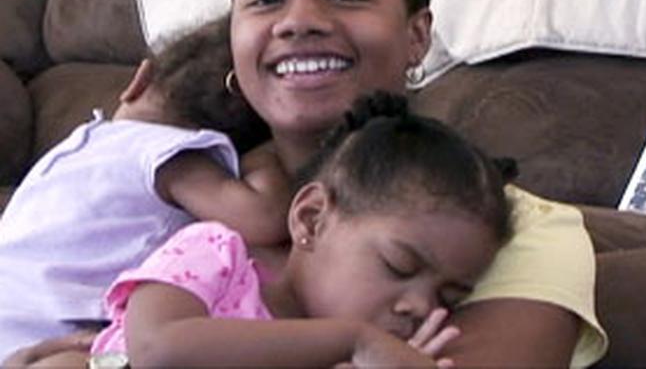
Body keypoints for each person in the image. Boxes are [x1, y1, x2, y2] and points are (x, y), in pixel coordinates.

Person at [6, 0, 606, 367]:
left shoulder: (513, 227)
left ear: (418, 35)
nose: (299, 21)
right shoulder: (171, 197)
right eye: (265, 0)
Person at [65, 92, 513, 367]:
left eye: (449, 299)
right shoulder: (215, 254)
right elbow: (158, 351)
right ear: (311, 218)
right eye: (399, 265)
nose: (421, 307)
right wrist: (356, 341)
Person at [0, 16, 288, 360]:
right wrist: (272, 150)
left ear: (138, 80)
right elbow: (262, 216)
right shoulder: (166, 156)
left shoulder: (78, 146)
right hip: (43, 337)